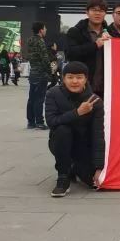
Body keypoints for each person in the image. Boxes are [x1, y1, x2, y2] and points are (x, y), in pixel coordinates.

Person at [45, 61, 105, 197]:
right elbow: (51, 121)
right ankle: (63, 177)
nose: (74, 81)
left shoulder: (95, 101)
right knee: (63, 129)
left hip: (83, 147)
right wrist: (77, 112)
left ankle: (75, 167)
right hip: (60, 142)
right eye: (70, 77)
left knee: (93, 181)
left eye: (79, 77)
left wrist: (99, 167)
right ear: (63, 78)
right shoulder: (53, 94)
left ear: (86, 79)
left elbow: (98, 135)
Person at [66, 0, 110, 98]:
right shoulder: (75, 31)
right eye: (94, 10)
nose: (97, 13)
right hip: (82, 87)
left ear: (105, 13)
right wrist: (95, 45)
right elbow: (70, 54)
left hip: (105, 88)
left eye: (101, 11)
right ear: (87, 12)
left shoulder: (110, 33)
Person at [27, 21, 50, 130]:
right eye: (45, 28)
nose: (46, 30)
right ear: (41, 30)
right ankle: (39, 122)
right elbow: (45, 58)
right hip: (41, 73)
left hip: (33, 73)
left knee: (31, 98)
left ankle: (30, 122)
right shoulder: (40, 41)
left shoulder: (30, 40)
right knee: (39, 99)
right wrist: (49, 71)